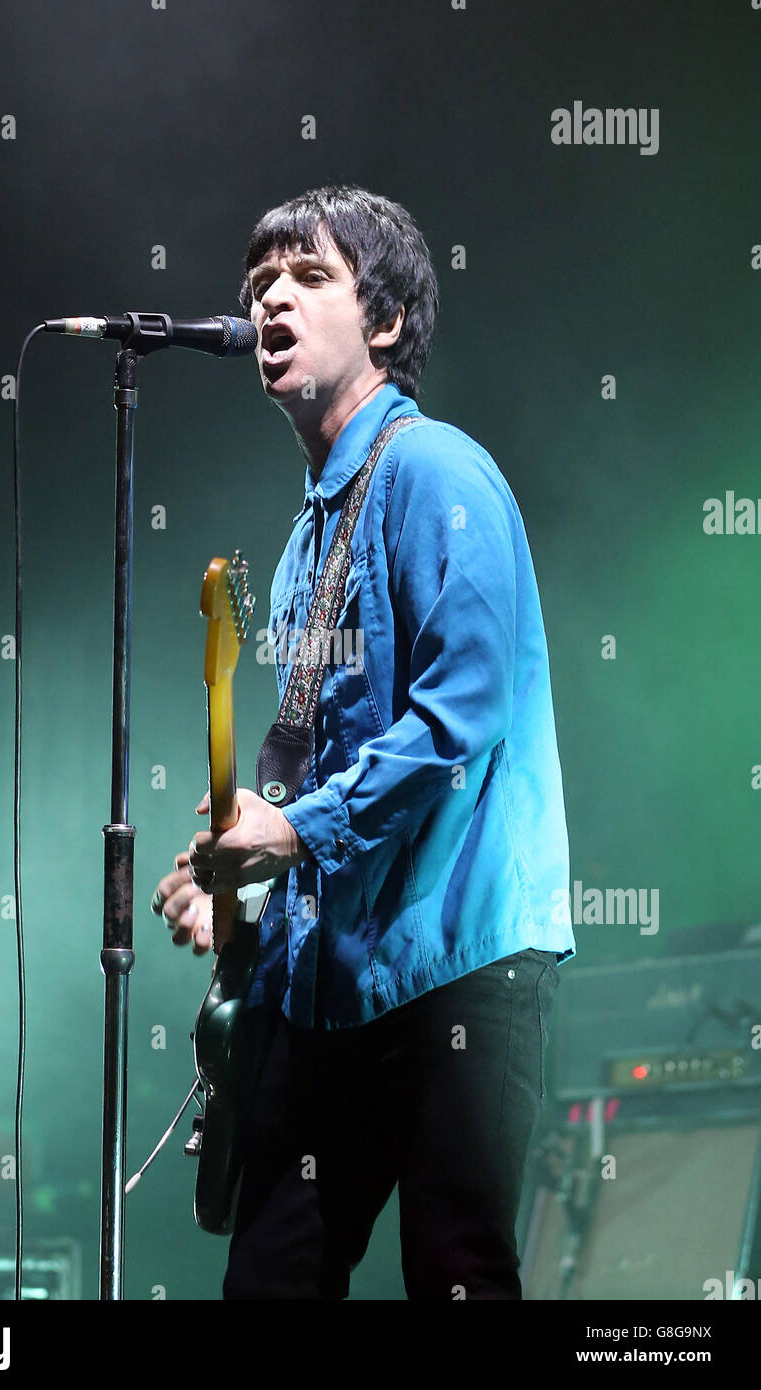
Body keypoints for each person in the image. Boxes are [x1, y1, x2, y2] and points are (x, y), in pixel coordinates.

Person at [151, 184, 576, 1300]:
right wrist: (234, 876)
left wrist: (291, 829)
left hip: (458, 961)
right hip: (336, 982)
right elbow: (313, 771)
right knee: (270, 1278)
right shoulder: (303, 541)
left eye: (306, 277)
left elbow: (461, 713)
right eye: (256, 288)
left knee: (455, 1272)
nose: (268, 302)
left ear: (382, 321)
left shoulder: (437, 472)